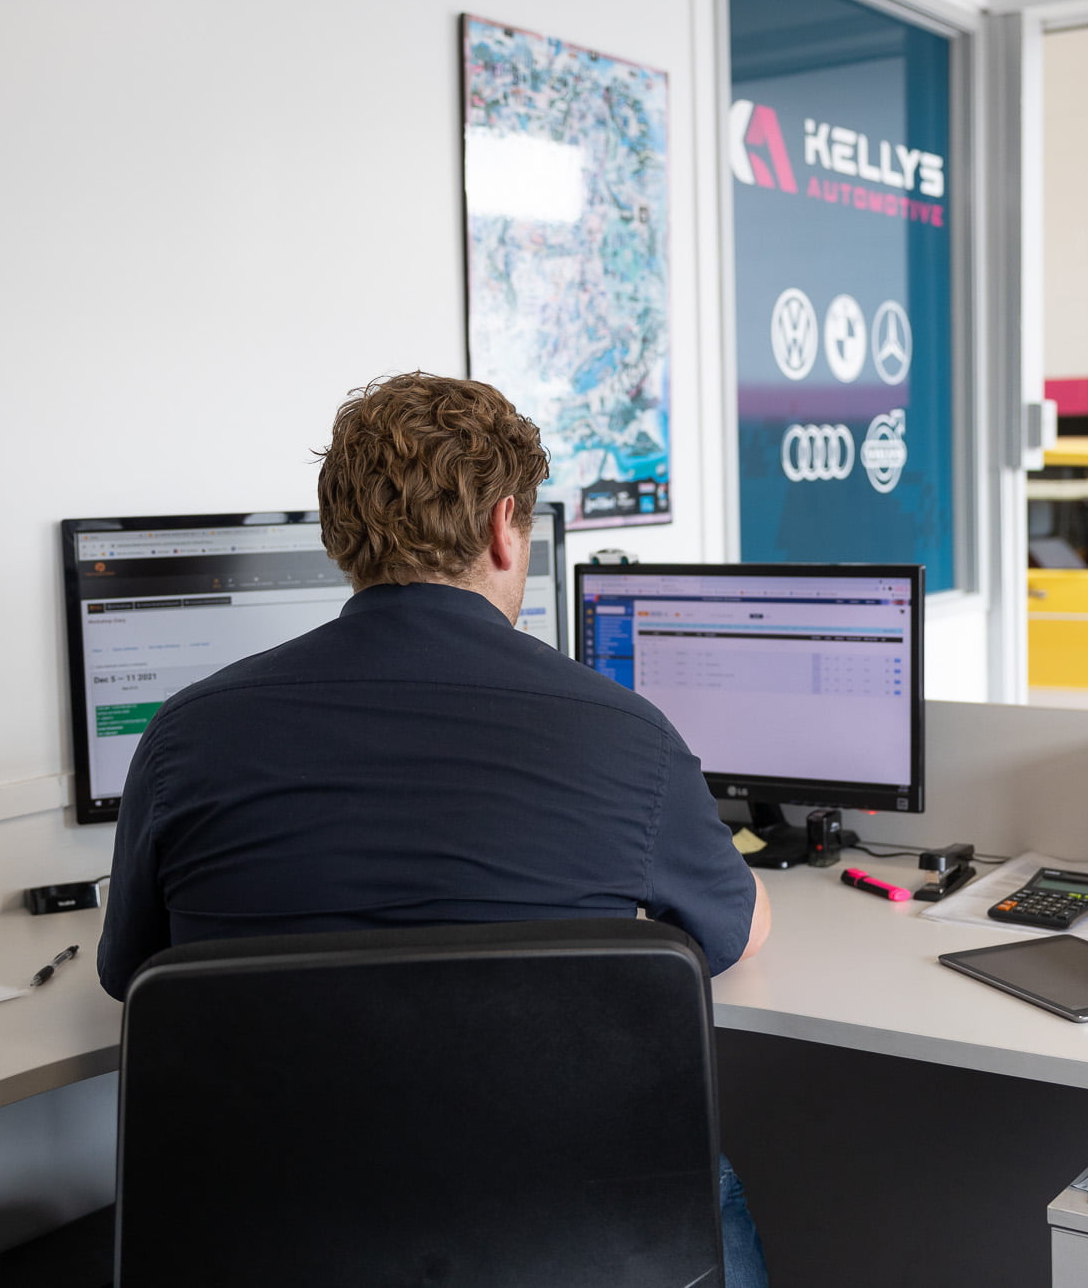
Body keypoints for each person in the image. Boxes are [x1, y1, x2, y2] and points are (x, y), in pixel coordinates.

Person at [98, 370, 772, 1284]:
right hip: (555, 1227)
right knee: (707, 1183)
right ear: (505, 525)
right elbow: (734, 933)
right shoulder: (623, 732)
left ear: (342, 538)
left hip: (274, 1231)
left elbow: (133, 972)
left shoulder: (184, 734)